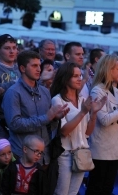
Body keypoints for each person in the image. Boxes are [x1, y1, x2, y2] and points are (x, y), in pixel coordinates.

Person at [50, 61, 106, 195]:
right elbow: (63, 131)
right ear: (65, 78)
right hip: (65, 154)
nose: (79, 78)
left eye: (80, 75)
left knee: (74, 192)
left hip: (81, 153)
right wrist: (82, 112)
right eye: (75, 76)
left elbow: (87, 132)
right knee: (61, 192)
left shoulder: (82, 100)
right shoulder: (58, 100)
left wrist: (93, 114)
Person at [3, 50, 69, 161]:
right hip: (23, 156)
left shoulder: (45, 91)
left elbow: (48, 126)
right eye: (34, 66)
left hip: (44, 155)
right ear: (23, 69)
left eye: (39, 65)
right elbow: (14, 124)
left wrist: (54, 119)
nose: (39, 69)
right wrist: (46, 118)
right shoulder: (13, 92)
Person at [86, 55, 118, 195]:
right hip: (101, 149)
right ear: (108, 70)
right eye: (117, 70)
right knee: (97, 187)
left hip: (114, 148)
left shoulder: (115, 90)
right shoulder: (97, 90)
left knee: (108, 188)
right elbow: (104, 120)